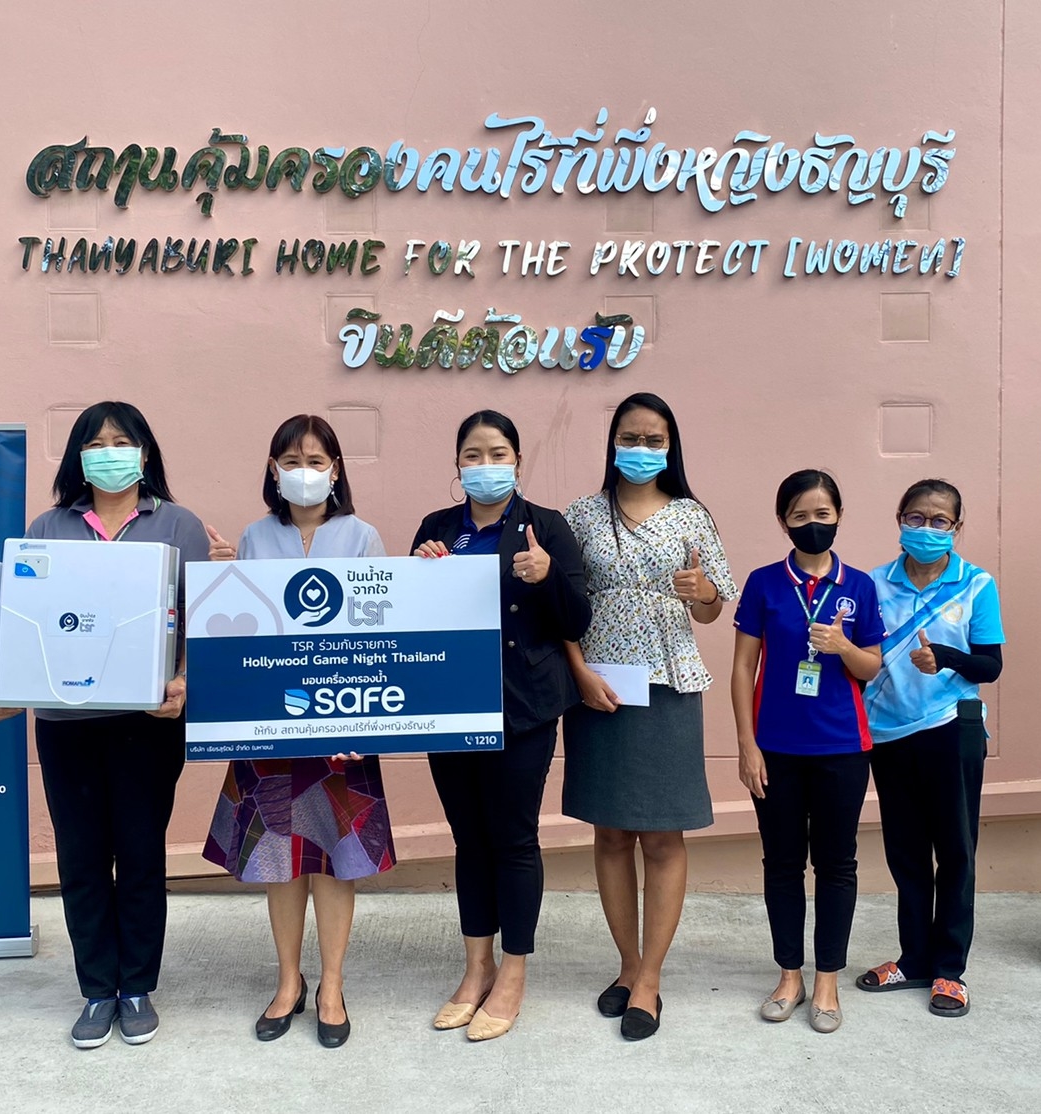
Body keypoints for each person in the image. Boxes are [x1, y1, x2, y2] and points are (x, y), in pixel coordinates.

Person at [0, 401, 227, 1050]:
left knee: (139, 855)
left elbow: (203, 622)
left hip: (147, 724)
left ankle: (135, 986)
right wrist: (0, 687)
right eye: (96, 442)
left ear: (145, 453)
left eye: (122, 441)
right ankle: (95, 991)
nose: (109, 453)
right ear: (77, 456)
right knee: (81, 857)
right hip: (65, 724)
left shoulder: (179, 525)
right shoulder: (48, 527)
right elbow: (26, 621)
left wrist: (186, 681)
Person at [201, 414, 395, 1048]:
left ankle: (332, 984)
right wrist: (221, 576)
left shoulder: (362, 536)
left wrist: (365, 721)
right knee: (278, 860)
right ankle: (289, 981)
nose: (303, 472)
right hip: (273, 726)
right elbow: (242, 633)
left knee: (336, 863)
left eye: (315, 461)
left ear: (335, 471)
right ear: (272, 469)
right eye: (290, 461)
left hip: (343, 726)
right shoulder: (254, 537)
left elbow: (381, 633)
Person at [560, 392, 736, 1041]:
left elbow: (714, 608)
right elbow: (562, 606)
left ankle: (651, 979)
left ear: (671, 447)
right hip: (600, 689)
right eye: (630, 438)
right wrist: (579, 674)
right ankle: (628, 966)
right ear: (613, 444)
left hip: (668, 685)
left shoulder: (692, 515)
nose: (641, 449)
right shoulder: (580, 515)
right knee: (610, 833)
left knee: (662, 835)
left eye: (653, 439)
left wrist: (703, 593)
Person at [411, 410, 591, 1042]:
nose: (485, 465)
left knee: (513, 839)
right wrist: (419, 571)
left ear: (517, 461)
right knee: (469, 839)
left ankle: (513, 973)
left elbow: (577, 618)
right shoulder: (437, 527)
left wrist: (546, 578)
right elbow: (409, 616)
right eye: (473, 455)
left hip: (523, 707)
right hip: (449, 705)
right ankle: (476, 968)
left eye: (497, 454)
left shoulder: (548, 526)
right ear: (457, 465)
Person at [730, 470, 884, 1034]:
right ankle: (789, 975)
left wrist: (842, 645)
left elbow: (872, 667)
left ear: (839, 516)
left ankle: (827, 981)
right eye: (800, 516)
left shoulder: (859, 586)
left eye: (822, 514)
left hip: (843, 747)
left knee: (837, 864)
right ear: (783, 522)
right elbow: (743, 667)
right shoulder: (765, 583)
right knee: (782, 863)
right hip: (775, 749)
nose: (812, 524)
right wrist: (746, 745)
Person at [854, 479, 1004, 1018]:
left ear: (956, 528)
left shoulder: (976, 584)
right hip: (889, 734)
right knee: (906, 853)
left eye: (940, 520)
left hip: (951, 729)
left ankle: (949, 971)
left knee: (956, 852)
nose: (926, 528)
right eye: (916, 517)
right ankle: (914, 958)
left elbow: (990, 665)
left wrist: (946, 656)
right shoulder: (873, 584)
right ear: (900, 519)